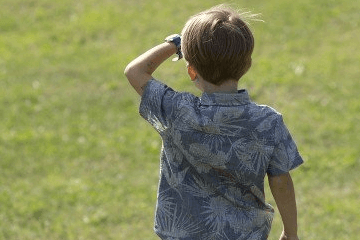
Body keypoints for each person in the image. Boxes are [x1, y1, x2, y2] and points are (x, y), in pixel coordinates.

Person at [124, 4, 303, 240]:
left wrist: (175, 44)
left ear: (191, 72)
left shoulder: (177, 111)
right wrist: (290, 233)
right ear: (247, 64)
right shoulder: (268, 122)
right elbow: (280, 180)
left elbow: (134, 71)